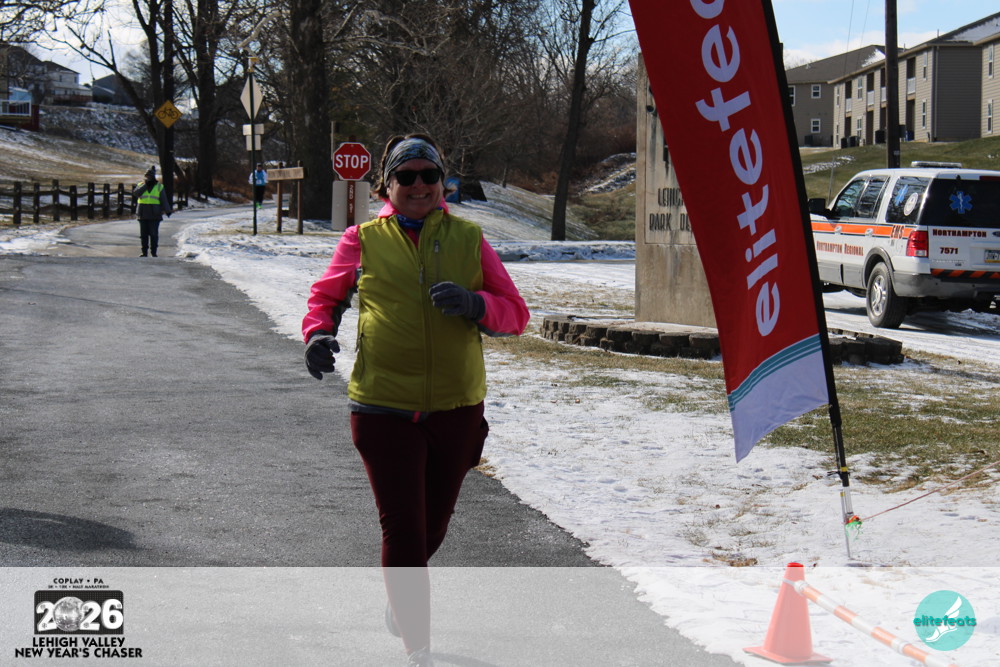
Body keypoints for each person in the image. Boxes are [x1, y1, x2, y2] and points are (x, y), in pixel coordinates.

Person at [302, 134, 529, 667]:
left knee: (432, 527)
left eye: (430, 175)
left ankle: (399, 597)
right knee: (403, 530)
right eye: (406, 176)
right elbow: (326, 297)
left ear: (443, 182)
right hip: (382, 406)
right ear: (388, 185)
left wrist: (476, 303)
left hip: (456, 408)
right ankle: (418, 648)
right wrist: (317, 334)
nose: (420, 184)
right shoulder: (362, 239)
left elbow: (515, 314)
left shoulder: (469, 238)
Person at [132, 166, 171, 257]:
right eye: (147, 176)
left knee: (153, 234)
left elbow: (163, 200)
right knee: (143, 234)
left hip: (155, 213)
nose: (148, 177)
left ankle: (154, 252)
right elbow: (136, 193)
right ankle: (144, 252)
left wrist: (167, 210)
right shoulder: (141, 185)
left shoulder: (159, 186)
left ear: (153, 176)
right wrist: (146, 185)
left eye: (150, 176)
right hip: (142, 213)